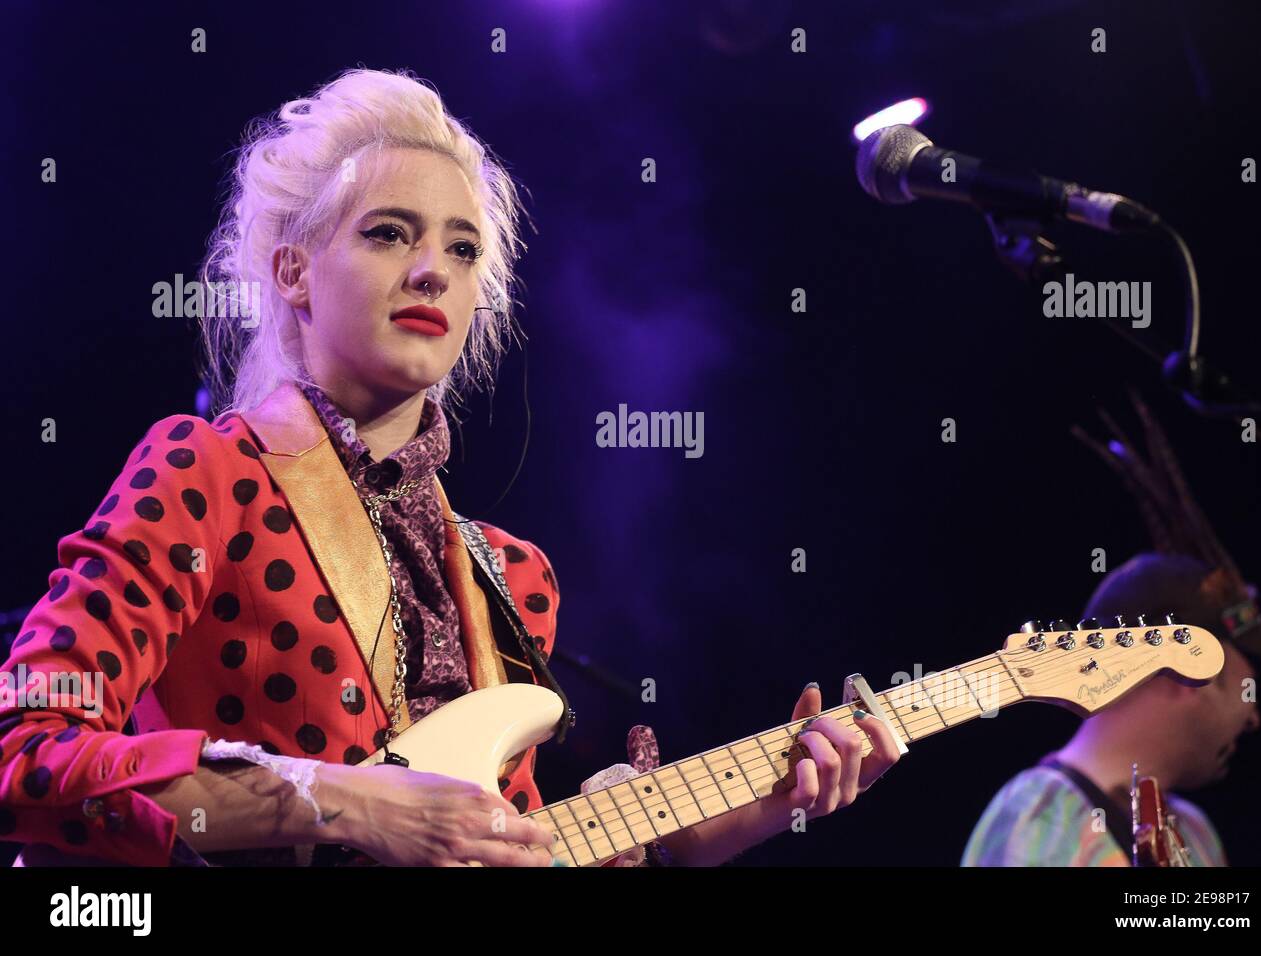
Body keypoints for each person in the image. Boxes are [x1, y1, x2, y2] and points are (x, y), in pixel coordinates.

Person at [0, 68, 899, 867]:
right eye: (390, 234)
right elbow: (23, 754)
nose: (433, 270)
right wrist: (348, 806)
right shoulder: (211, 474)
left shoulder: (514, 576)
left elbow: (496, 848)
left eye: (463, 249)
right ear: (294, 271)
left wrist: (706, 826)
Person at [962, 397, 1261, 867]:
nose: (1255, 715)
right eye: (1250, 666)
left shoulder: (1196, 834)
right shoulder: (1037, 817)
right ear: (1185, 666)